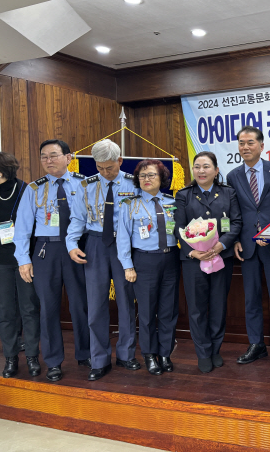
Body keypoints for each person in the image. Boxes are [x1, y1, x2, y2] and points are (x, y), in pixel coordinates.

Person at [14, 139, 91, 382]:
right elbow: (23, 228)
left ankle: (86, 353)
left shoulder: (84, 184)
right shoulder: (33, 189)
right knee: (48, 309)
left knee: (81, 305)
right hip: (46, 251)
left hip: (78, 250)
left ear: (68, 157)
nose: (49, 160)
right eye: (44, 156)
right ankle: (54, 361)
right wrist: (23, 259)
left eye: (54, 155)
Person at [66, 140, 140, 381]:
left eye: (109, 167)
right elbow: (77, 218)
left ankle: (126, 354)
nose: (105, 173)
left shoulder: (134, 183)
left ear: (120, 161)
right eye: (100, 167)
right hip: (96, 244)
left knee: (126, 301)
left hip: (125, 246)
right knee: (96, 304)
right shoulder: (87, 186)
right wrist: (71, 245)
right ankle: (99, 359)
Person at [226, 126, 270, 366]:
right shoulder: (232, 176)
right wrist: (233, 240)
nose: (245, 147)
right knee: (251, 298)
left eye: (250, 142)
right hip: (247, 246)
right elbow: (233, 213)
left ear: (262, 145)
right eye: (241, 143)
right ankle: (256, 344)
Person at [174, 151, 242, 373]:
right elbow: (178, 227)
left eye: (205, 166)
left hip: (221, 257)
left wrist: (220, 245)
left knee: (218, 306)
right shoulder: (184, 194)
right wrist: (193, 252)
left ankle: (215, 349)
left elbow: (236, 223)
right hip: (194, 261)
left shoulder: (228, 193)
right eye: (197, 167)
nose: (201, 171)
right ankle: (202, 352)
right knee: (196, 309)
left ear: (216, 169)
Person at [116, 160, 179, 376]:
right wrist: (128, 266)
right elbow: (122, 237)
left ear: (161, 178)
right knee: (147, 313)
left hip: (171, 260)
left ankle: (165, 354)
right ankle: (150, 355)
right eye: (142, 176)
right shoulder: (129, 205)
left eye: (151, 175)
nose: (146, 179)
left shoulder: (172, 202)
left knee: (168, 311)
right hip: (144, 262)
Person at [0, 152, 41, 378]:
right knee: (5, 312)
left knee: (29, 310)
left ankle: (31, 357)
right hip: (0, 263)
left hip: (26, 262)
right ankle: (10, 358)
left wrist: (27, 260)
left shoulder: (27, 191)